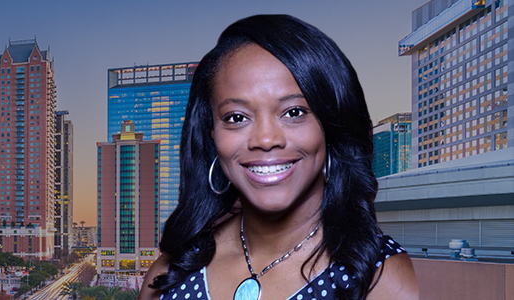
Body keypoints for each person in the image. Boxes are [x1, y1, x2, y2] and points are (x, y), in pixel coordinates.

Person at [138, 15, 419, 300]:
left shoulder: (382, 279)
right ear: (211, 132)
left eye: (294, 112)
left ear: (331, 125)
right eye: (236, 117)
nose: (265, 139)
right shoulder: (171, 274)